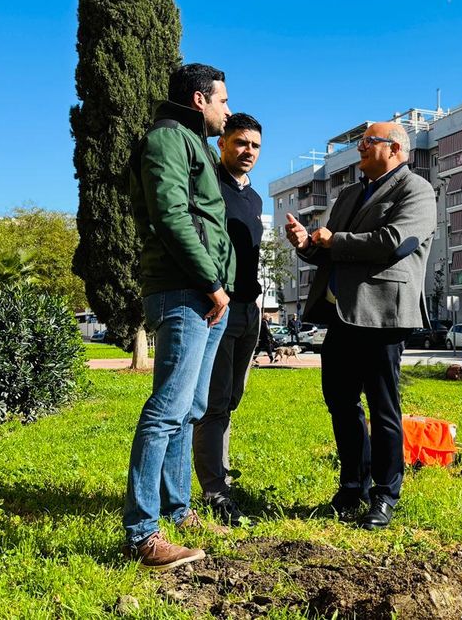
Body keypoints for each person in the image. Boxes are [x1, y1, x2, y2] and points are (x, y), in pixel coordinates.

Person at [284, 122, 435, 530]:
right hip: (341, 315)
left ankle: (385, 495)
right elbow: (334, 253)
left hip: (383, 315)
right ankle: (353, 486)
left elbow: (395, 242)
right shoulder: (350, 193)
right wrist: (307, 245)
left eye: (369, 142)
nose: (361, 148)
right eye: (359, 142)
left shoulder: (416, 190)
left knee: (384, 409)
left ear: (397, 149)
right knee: (340, 403)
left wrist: (334, 241)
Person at [123, 63, 235, 571]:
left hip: (205, 295)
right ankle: (142, 535)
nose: (227, 111)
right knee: (167, 410)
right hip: (186, 292)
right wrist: (210, 282)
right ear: (199, 100)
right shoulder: (168, 139)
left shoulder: (195, 145)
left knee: (189, 409)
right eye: (223, 101)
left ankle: (177, 509)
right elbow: (169, 214)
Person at [193, 113, 265, 528]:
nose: (247, 152)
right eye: (240, 142)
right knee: (213, 402)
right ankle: (214, 489)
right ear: (223, 144)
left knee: (231, 399)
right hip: (216, 305)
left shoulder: (254, 199)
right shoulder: (210, 188)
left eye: (254, 145)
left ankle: (219, 474)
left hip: (249, 311)